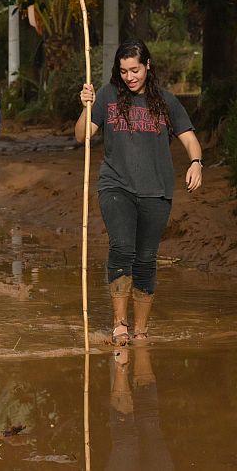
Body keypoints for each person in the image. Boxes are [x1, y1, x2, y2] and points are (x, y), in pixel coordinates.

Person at [76, 39, 203, 346]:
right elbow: (82, 138)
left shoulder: (167, 101)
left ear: (148, 66)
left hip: (157, 190)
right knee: (122, 247)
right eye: (123, 71)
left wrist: (196, 163)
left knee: (146, 259)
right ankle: (120, 324)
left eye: (135, 70)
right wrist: (86, 108)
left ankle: (142, 330)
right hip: (116, 186)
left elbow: (189, 139)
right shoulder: (106, 97)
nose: (130, 77)